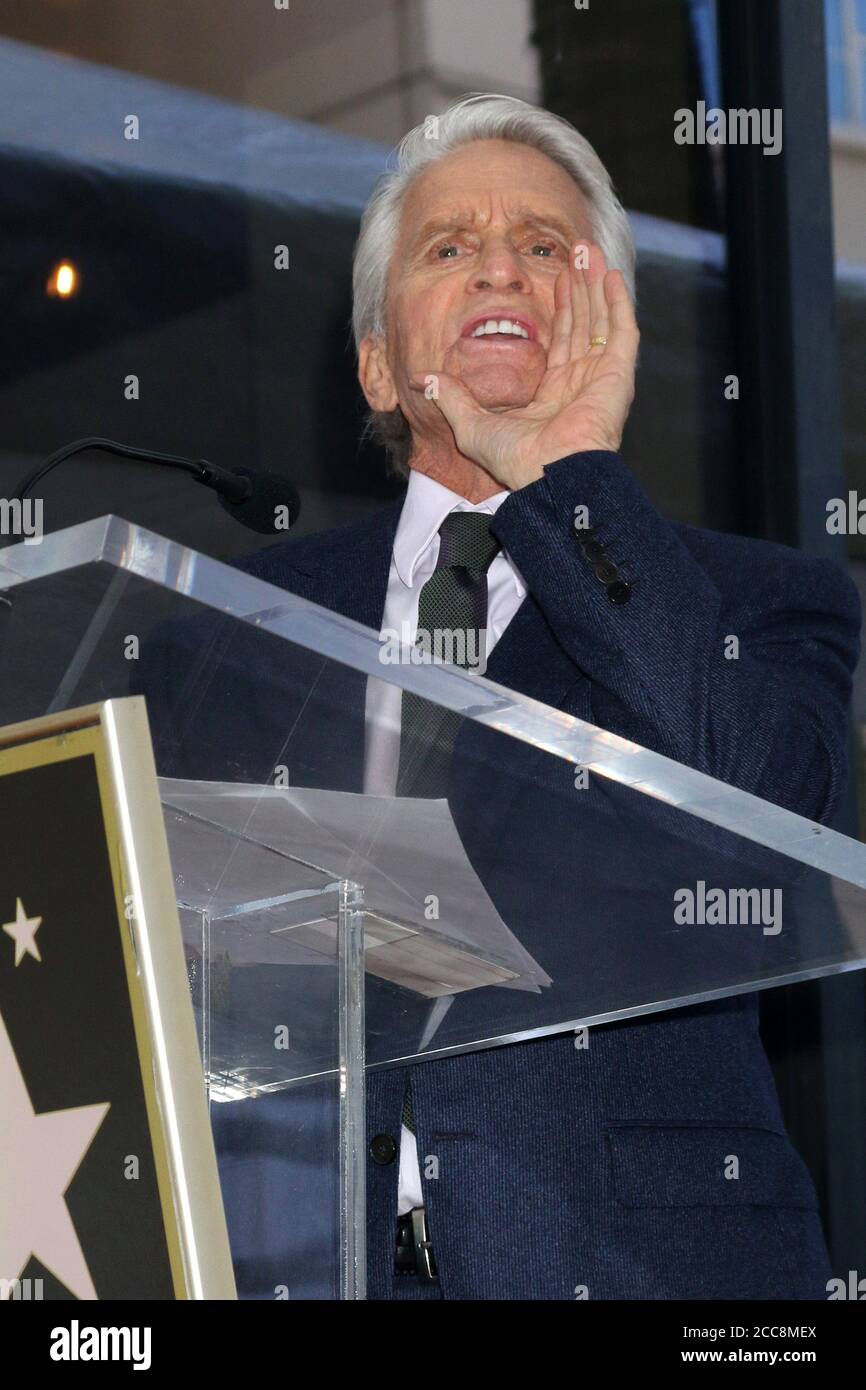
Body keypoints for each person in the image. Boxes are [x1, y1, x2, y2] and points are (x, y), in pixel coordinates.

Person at [157, 94, 861, 1299]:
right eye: (451, 246)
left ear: (609, 318)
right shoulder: (229, 623)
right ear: (377, 362)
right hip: (295, 1260)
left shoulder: (755, 601)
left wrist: (567, 474)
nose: (500, 263)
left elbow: (778, 821)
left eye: (544, 246)